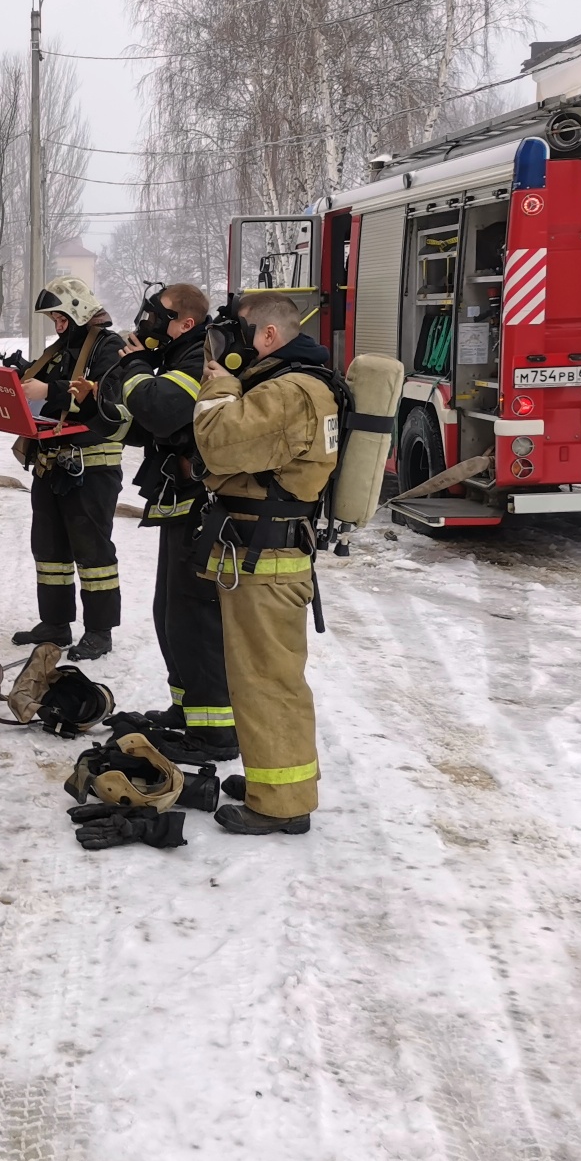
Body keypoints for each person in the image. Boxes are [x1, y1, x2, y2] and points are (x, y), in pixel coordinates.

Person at [188, 291, 341, 836]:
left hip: (268, 560)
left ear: (270, 335)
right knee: (259, 678)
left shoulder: (290, 391)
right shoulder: (295, 386)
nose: (232, 344)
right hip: (263, 554)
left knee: (268, 682)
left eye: (240, 333)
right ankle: (271, 781)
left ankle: (281, 805)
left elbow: (219, 444)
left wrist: (219, 382)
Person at [89, 283, 237, 760]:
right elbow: (145, 424)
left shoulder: (199, 357)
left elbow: (161, 407)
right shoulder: (176, 357)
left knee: (194, 621)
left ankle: (215, 733)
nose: (148, 322)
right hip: (181, 503)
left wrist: (133, 369)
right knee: (169, 615)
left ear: (185, 323)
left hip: (205, 510)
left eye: (159, 315)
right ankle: (187, 712)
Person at [10, 276, 131, 661]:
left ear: (79, 310)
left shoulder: (109, 349)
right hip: (51, 464)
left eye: (60, 318)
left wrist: (48, 391)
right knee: (49, 550)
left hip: (91, 468)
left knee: (92, 552)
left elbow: (101, 399)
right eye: (54, 320)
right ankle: (56, 624)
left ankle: (99, 631)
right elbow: (49, 385)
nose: (57, 325)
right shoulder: (62, 350)